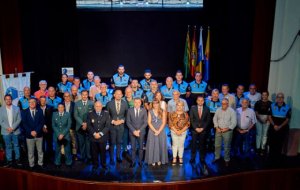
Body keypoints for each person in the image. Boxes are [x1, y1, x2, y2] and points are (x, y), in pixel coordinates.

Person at [268, 92, 291, 166]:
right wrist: (274, 125)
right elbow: (269, 117)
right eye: (278, 97)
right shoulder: (271, 105)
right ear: (276, 98)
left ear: (283, 98)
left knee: (279, 144)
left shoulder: (287, 107)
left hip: (282, 129)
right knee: (272, 143)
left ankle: (277, 160)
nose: (279, 98)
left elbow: (287, 119)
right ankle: (270, 159)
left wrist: (280, 126)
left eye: (281, 97)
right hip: (273, 127)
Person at [106, 89, 128, 165]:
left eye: (120, 94)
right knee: (112, 143)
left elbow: (127, 115)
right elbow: (107, 115)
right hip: (112, 126)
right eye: (117, 94)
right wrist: (113, 121)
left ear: (122, 95)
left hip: (121, 126)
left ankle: (118, 157)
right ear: (114, 95)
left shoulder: (125, 103)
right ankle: (112, 158)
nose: (118, 95)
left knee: (119, 142)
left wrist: (122, 120)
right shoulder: (109, 104)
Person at [189, 96, 210, 173]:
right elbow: (191, 119)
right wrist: (196, 128)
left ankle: (202, 158)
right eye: (199, 100)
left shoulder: (207, 109)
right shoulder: (193, 108)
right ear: (197, 101)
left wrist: (202, 128)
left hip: (203, 130)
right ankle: (192, 157)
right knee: (194, 144)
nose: (200, 102)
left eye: (202, 100)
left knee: (202, 145)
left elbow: (208, 120)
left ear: (203, 101)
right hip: (194, 130)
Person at [22, 98, 45, 169]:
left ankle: (40, 163)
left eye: (33, 102)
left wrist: (36, 131)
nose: (32, 103)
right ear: (28, 103)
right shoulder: (24, 112)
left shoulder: (40, 111)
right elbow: (24, 124)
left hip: (39, 135)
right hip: (29, 135)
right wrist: (30, 132)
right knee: (30, 151)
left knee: (40, 150)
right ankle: (31, 164)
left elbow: (42, 122)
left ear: (36, 103)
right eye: (30, 102)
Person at [213, 98, 237, 167]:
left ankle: (226, 159)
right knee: (217, 145)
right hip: (218, 130)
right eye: (222, 103)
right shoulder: (218, 109)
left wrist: (227, 129)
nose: (223, 105)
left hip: (228, 131)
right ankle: (217, 157)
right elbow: (215, 118)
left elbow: (234, 122)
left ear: (228, 104)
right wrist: (217, 127)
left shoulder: (232, 111)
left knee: (227, 146)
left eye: (225, 104)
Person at [87, 101, 110, 171]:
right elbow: (89, 125)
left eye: (99, 106)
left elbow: (107, 126)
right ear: (94, 107)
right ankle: (95, 165)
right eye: (96, 106)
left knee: (103, 152)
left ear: (102, 107)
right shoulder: (90, 114)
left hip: (102, 137)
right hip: (93, 137)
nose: (98, 108)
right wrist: (94, 134)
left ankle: (103, 165)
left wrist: (100, 134)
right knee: (94, 152)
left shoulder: (106, 114)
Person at [0, 94, 22, 167]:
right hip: (6, 131)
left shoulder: (17, 108)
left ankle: (18, 159)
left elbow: (19, 119)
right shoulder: (1, 109)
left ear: (11, 100)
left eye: (9, 99)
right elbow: (1, 121)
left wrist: (12, 128)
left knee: (16, 145)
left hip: (15, 131)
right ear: (5, 100)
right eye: (6, 99)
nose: (8, 100)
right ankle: (9, 160)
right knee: (8, 146)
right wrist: (8, 128)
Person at [144, 99, 168, 166]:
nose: (155, 105)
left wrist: (159, 131)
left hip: (161, 130)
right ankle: (152, 160)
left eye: (157, 103)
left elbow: (164, 122)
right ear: (152, 104)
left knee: (160, 145)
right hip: (152, 130)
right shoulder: (150, 111)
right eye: (154, 103)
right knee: (152, 145)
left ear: (159, 104)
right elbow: (149, 122)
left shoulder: (163, 111)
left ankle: (160, 159)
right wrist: (155, 131)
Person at [126, 98, 148, 167]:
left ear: (141, 103)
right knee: (133, 148)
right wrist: (134, 131)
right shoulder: (129, 110)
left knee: (141, 147)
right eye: (135, 102)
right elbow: (128, 122)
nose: (137, 104)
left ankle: (140, 161)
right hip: (132, 132)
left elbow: (145, 123)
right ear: (133, 103)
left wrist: (138, 131)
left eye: (139, 102)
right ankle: (133, 161)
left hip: (141, 132)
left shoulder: (144, 110)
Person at [74, 90, 94, 162]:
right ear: (81, 95)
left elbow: (92, 115)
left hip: (89, 126)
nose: (84, 96)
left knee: (88, 143)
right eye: (83, 94)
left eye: (86, 94)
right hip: (79, 126)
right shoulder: (77, 103)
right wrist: (82, 123)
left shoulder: (92, 103)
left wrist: (86, 124)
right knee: (81, 142)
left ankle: (89, 156)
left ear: (88, 95)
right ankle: (83, 156)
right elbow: (75, 115)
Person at [168, 101, 190, 165]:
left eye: (181, 105)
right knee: (174, 144)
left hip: (183, 132)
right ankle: (174, 157)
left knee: (181, 145)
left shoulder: (186, 114)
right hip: (173, 131)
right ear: (176, 106)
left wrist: (181, 131)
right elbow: (170, 124)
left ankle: (180, 157)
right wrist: (176, 131)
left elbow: (187, 124)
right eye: (178, 105)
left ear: (183, 106)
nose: (179, 107)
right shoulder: (171, 113)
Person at [52, 103, 72, 168]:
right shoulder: (54, 114)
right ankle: (57, 162)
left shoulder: (68, 114)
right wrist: (58, 134)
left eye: (62, 107)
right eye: (59, 107)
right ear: (57, 108)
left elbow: (69, 125)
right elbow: (53, 125)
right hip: (57, 135)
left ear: (64, 108)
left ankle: (68, 162)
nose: (60, 108)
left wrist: (63, 134)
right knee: (57, 149)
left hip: (66, 135)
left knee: (67, 150)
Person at [254, 91, 272, 156]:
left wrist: (266, 119)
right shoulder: (258, 103)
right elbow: (256, 112)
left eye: (265, 95)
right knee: (259, 134)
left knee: (265, 135)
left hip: (267, 120)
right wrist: (260, 119)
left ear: (268, 95)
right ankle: (258, 148)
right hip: (259, 119)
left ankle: (263, 148)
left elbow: (271, 113)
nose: (264, 96)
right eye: (263, 95)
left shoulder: (271, 103)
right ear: (261, 95)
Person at [63, 92, 78, 160]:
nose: (67, 97)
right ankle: (64, 154)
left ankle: (74, 154)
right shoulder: (61, 104)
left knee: (73, 141)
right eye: (65, 96)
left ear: (70, 97)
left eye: (68, 96)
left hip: (72, 126)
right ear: (64, 97)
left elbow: (75, 116)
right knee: (64, 141)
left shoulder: (74, 104)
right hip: (63, 127)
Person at [39, 96, 54, 163]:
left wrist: (46, 127)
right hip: (39, 129)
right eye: (41, 100)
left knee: (49, 144)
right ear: (39, 101)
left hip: (49, 129)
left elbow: (51, 119)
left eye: (44, 100)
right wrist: (42, 127)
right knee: (41, 145)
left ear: (46, 101)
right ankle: (42, 157)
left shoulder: (50, 108)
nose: (43, 101)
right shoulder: (37, 108)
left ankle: (50, 158)